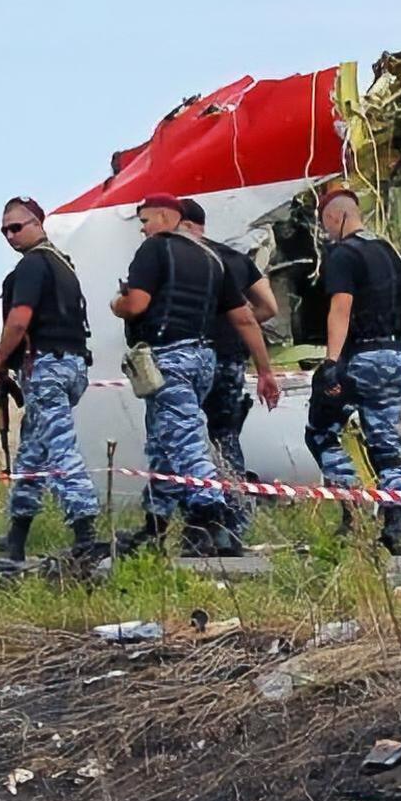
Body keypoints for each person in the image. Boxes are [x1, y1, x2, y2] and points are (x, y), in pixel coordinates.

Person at [111, 193, 281, 557]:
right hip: (205, 359)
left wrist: (117, 304)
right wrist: (265, 371)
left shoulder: (155, 249)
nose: (142, 229)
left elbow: (136, 304)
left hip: (169, 358)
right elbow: (246, 317)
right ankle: (154, 527)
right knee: (165, 443)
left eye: (145, 221)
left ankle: (212, 520)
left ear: (165, 217)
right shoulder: (213, 258)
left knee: (186, 443)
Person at [304, 188, 401, 554]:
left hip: (362, 358)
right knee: (385, 443)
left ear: (335, 217)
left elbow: (341, 307)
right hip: (398, 356)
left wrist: (331, 363)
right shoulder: (392, 252)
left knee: (320, 432)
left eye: (325, 224)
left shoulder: (343, 254)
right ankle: (395, 525)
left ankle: (351, 513)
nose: (326, 231)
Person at [0, 196, 100, 562]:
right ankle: (16, 536)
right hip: (72, 364)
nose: (10, 236)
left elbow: (19, 320)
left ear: (38, 223)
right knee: (33, 452)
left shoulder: (33, 265)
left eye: (16, 227)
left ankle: (85, 530)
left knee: (60, 448)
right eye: (4, 231)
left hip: (47, 367)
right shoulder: (62, 264)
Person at [177, 197, 278, 540]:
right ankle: (235, 522)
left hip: (192, 356)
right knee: (226, 438)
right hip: (231, 359)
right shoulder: (236, 259)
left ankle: (198, 521)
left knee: (185, 438)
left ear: (184, 224)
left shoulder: (181, 258)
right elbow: (269, 307)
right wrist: (236, 325)